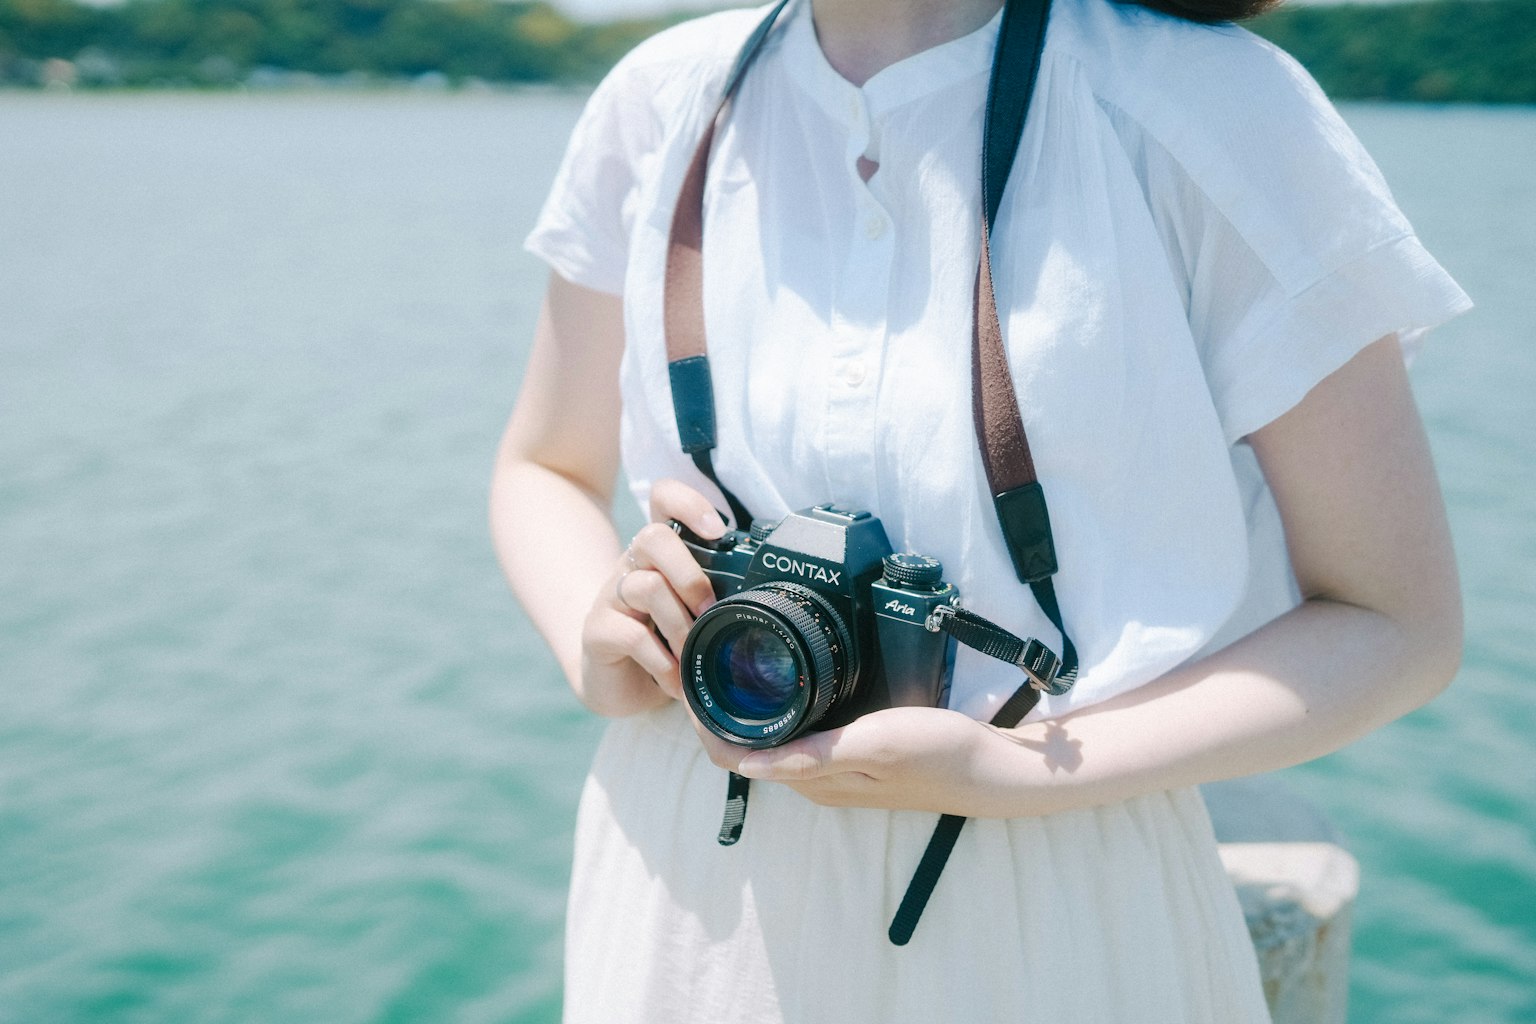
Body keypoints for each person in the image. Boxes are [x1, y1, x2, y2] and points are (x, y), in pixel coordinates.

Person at [490, 0, 1472, 1017]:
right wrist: (594, 639)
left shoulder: (1211, 108)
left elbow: (1396, 621)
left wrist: (1023, 772)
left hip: (1051, 894)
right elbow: (545, 467)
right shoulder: (663, 97)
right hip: (684, 874)